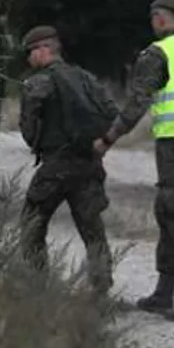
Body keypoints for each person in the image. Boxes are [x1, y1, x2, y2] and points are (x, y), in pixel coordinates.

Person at [94, 0, 174, 322]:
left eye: (153, 18)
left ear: (160, 18)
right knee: (167, 209)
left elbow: (138, 103)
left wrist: (109, 138)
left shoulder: (157, 53)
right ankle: (165, 291)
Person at [17, 25, 117, 296]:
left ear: (43, 49)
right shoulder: (85, 78)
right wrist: (102, 142)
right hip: (89, 163)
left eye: (30, 52)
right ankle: (101, 287)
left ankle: (37, 285)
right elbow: (113, 112)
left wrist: (42, 142)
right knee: (92, 228)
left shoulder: (38, 83)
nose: (29, 58)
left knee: (31, 223)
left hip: (55, 166)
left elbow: (28, 129)